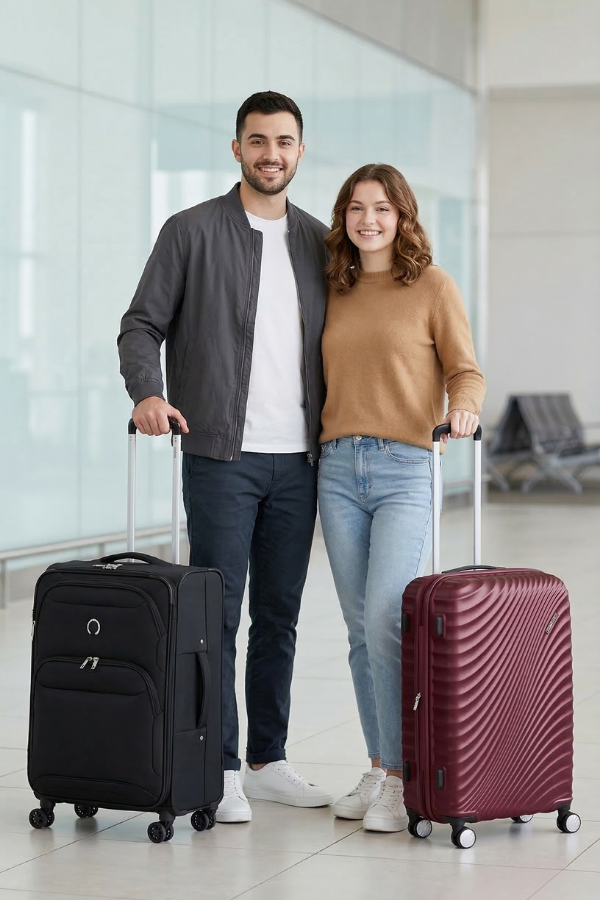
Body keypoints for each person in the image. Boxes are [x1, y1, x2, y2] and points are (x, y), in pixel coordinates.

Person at [118, 91, 333, 824]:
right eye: (257, 140)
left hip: (300, 462)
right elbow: (141, 325)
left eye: (284, 141)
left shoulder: (319, 242)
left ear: (300, 151)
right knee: (220, 615)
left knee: (281, 616)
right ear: (235, 148)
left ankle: (269, 759)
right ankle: (220, 765)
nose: (271, 153)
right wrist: (149, 393)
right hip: (220, 457)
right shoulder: (191, 231)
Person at [318, 163, 485, 832]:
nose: (368, 220)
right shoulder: (335, 286)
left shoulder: (431, 285)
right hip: (335, 469)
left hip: (405, 466)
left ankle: (403, 778)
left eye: (382, 208)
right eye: (357, 208)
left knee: (389, 618)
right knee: (361, 631)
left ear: (403, 216)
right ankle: (381, 766)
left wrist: (465, 410)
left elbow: (464, 370)